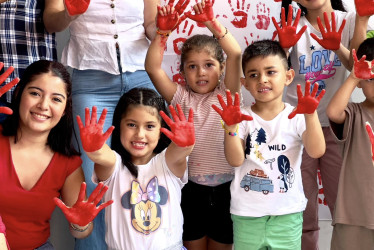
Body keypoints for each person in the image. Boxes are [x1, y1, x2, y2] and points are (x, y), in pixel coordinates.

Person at [43, 0, 160, 247]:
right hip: (91, 79)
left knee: (150, 170)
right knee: (90, 175)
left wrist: (162, 28)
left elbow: (150, 25)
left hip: (142, 73)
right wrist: (69, 13)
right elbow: (51, 22)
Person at [145, 0, 242, 248]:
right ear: (183, 72)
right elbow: (152, 68)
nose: (201, 73)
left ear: (221, 69)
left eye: (208, 65)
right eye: (192, 67)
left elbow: (236, 53)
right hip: (189, 190)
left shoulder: (228, 94)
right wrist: (162, 33)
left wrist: (212, 23)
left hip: (227, 190)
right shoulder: (179, 97)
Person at [276, 1, 372, 248]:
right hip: (298, 127)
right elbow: (276, 74)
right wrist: (283, 49)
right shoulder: (291, 26)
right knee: (302, 205)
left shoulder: (350, 19)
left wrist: (349, 34)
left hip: (337, 125)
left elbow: (359, 70)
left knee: (344, 202)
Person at [213, 40, 326, 250]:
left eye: (270, 72)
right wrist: (230, 127)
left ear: (288, 76)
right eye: (253, 74)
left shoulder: (297, 116)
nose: (262, 79)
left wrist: (310, 115)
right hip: (246, 214)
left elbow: (317, 150)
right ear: (244, 82)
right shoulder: (242, 116)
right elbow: (235, 159)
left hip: (287, 214)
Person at [0, 60, 112, 250]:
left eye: (56, 99)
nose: (44, 105)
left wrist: (80, 223)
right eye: (35, 93)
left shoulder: (68, 163)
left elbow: (81, 231)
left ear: (65, 108)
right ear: (19, 93)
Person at [76, 88, 195, 249]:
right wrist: (93, 148)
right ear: (119, 127)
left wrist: (186, 143)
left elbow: (180, 150)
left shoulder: (167, 163)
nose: (140, 134)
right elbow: (101, 156)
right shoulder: (114, 166)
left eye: (150, 126)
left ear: (161, 131)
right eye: (131, 125)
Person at [326, 38, 374, 250]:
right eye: (371, 78)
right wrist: (353, 76)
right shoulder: (354, 113)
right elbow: (333, 112)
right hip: (354, 214)